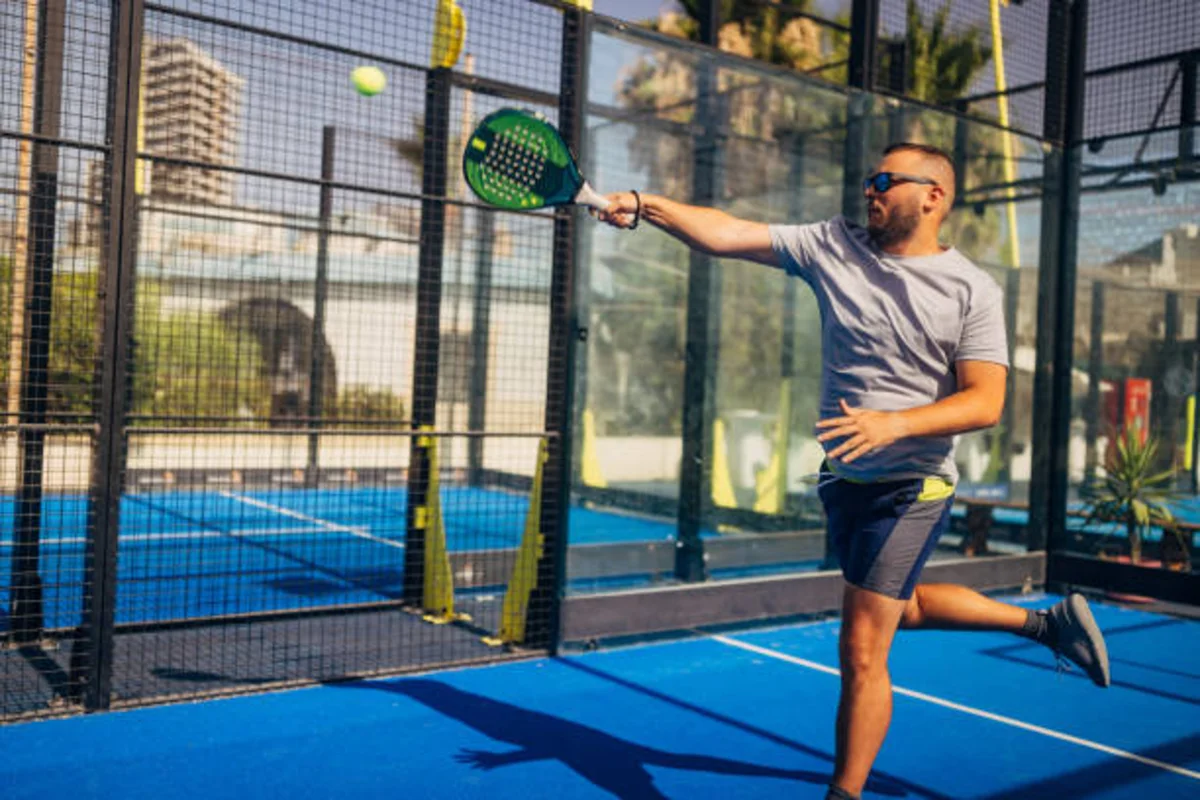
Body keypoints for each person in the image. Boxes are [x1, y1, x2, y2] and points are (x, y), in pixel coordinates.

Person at [593, 142, 1110, 800]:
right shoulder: (831, 244)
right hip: (844, 480)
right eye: (870, 179)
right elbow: (727, 233)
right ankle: (1048, 625)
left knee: (863, 647)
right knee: (903, 610)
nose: (871, 190)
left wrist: (893, 422)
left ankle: (845, 793)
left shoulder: (973, 289)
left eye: (886, 181)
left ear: (933, 197)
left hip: (912, 487)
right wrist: (643, 206)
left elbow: (985, 401)